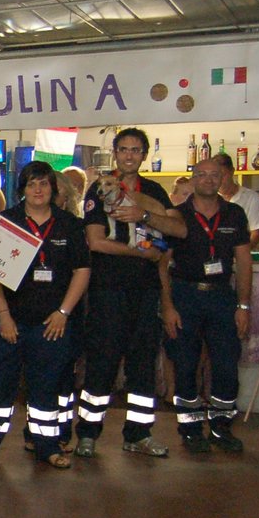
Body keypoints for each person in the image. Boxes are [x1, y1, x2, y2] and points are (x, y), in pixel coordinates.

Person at [76, 127, 186, 458]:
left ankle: (138, 434)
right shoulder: (101, 189)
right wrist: (143, 254)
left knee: (142, 365)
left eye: (136, 150)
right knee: (102, 363)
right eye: (123, 149)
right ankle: (87, 434)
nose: (129, 155)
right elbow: (96, 241)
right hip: (108, 290)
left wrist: (145, 216)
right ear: (115, 153)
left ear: (144, 155)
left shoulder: (153, 191)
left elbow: (178, 228)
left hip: (146, 291)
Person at [0, 161, 92, 468]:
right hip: (9, 322)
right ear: (22, 190)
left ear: (53, 188)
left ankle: (47, 447)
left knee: (46, 389)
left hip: (52, 324)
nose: (38, 190)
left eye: (43, 184)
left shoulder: (70, 225)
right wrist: (2, 315)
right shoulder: (6, 222)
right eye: (31, 184)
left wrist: (64, 312)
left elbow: (82, 271)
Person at [159, 158, 253, 452]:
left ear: (224, 177)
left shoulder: (235, 214)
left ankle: (222, 425)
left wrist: (244, 306)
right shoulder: (177, 215)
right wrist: (168, 307)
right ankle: (190, 428)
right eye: (202, 175)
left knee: (226, 362)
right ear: (193, 178)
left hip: (222, 296)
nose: (209, 180)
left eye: (215, 175)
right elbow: (161, 263)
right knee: (185, 362)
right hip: (185, 294)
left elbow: (245, 261)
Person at [214, 152, 259, 248]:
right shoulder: (209, 200)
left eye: (223, 175)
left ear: (232, 171)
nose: (219, 180)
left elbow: (255, 234)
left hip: (247, 256)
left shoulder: (251, 198)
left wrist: (240, 255)